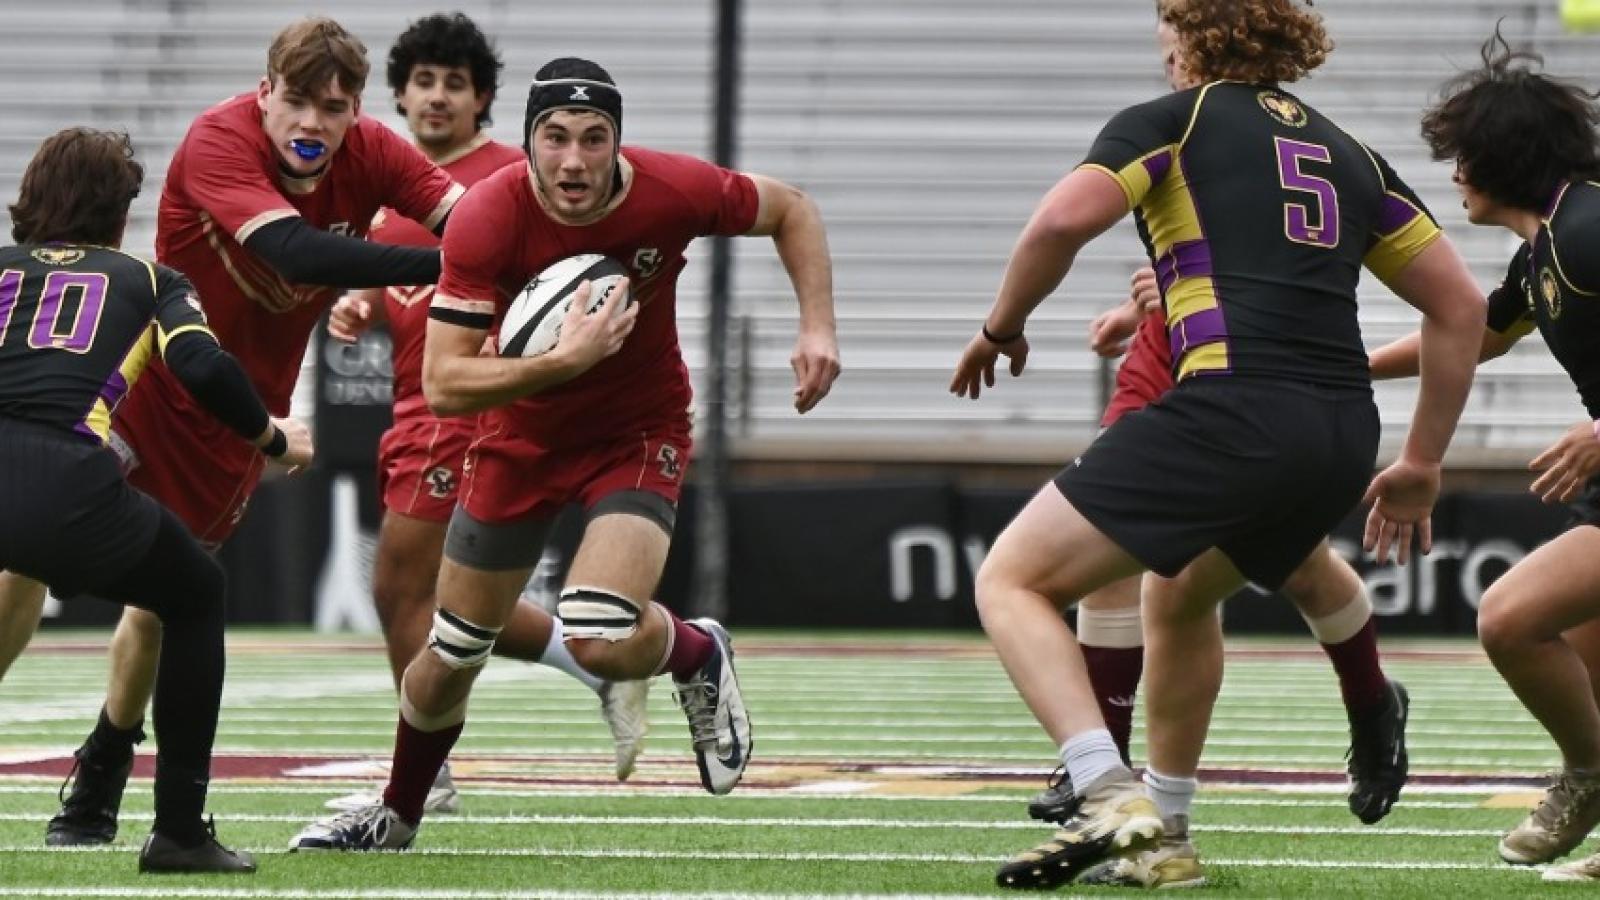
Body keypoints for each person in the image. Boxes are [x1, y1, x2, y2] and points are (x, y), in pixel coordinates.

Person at [952, 0, 1483, 889]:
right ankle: (1167, 835)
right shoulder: (1352, 153)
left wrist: (1001, 327)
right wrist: (1422, 462)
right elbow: (1460, 306)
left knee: (1012, 580)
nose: (1163, 56)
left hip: (1232, 407)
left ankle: (1103, 788)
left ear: (1196, 38)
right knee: (1181, 592)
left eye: (1168, 38)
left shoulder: (1173, 120)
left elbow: (1058, 222)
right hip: (1343, 429)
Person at [289, 55, 840, 851]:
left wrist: (817, 327)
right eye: (555, 137)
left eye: (593, 138)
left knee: (598, 633)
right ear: (528, 142)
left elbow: (792, 208)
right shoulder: (488, 215)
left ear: (618, 142)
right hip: (518, 437)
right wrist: (562, 361)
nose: (574, 159)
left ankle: (694, 650)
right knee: (451, 649)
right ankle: (398, 813)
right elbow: (445, 383)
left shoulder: (670, 190)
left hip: (635, 432)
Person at [24, 16, 468, 848]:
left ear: (357, 111)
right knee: (23, 554)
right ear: (264, 94)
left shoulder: (374, 152)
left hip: (239, 409)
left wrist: (533, 248)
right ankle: (127, 794)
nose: (311, 122)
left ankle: (103, 766)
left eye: (332, 107)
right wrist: (456, 264)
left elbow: (469, 217)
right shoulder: (217, 140)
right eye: (296, 100)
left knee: (164, 602)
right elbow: (298, 253)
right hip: (144, 382)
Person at [320, 12, 650, 816]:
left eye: (455, 84)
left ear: (483, 101)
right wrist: (363, 305)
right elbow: (408, 281)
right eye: (423, 81)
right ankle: (604, 663)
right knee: (455, 602)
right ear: (399, 95)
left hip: (467, 406)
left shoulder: (511, 174)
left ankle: (425, 778)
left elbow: (566, 277)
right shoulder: (390, 186)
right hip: (415, 404)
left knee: (401, 588)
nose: (437, 97)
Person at [0, 127, 316, 871]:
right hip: (67, 483)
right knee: (195, 593)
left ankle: (109, 781)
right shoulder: (149, 279)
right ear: (120, 213)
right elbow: (203, 368)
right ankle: (178, 830)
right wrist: (273, 439)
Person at [1028, 263, 1408, 830]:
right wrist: (1150, 301)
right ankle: (1104, 772)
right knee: (1116, 552)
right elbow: (1183, 233)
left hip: (1258, 367)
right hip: (1165, 365)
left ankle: (1371, 700)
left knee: (1297, 567)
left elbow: (1299, 250)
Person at [1368, 32, 1600, 882]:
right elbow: (1477, 337)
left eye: (1462, 156)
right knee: (1585, 647)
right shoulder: (1546, 247)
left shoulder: (1590, 229)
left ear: (1503, 157)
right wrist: (1339, 366)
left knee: (1509, 617)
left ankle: (1588, 777)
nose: (1454, 174)